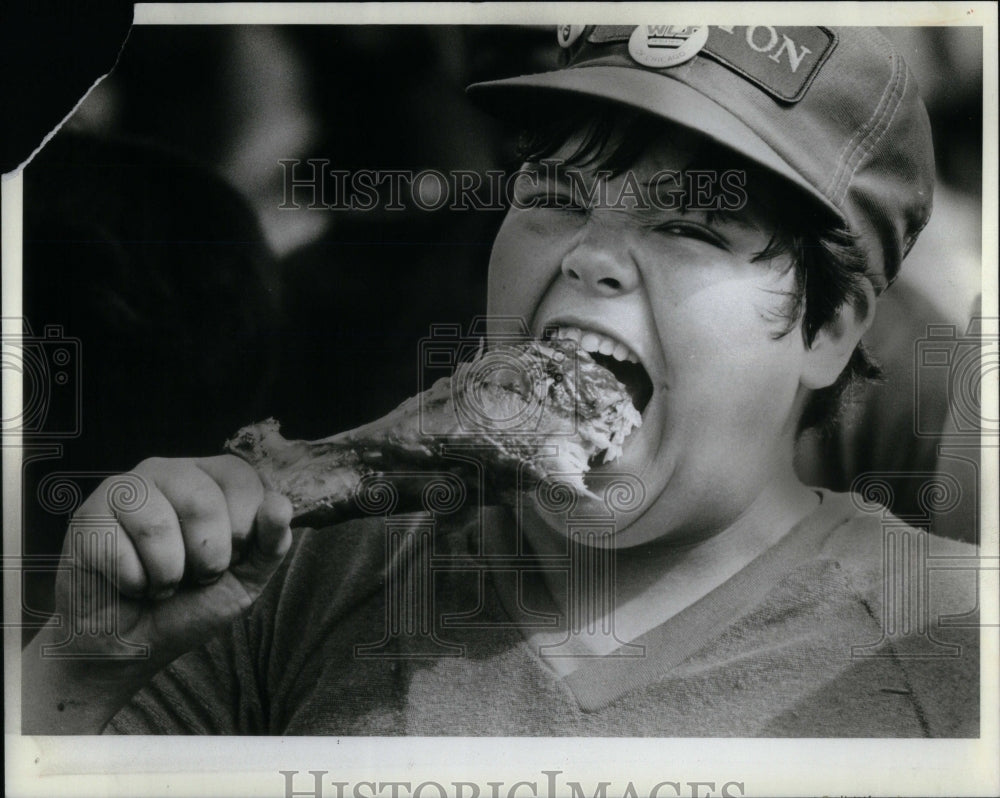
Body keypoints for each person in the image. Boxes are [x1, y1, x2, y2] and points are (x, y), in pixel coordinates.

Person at [22, 26, 979, 736]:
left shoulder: (953, 649)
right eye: (555, 198)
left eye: (691, 227)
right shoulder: (285, 583)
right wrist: (85, 665)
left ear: (829, 329)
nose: (592, 256)